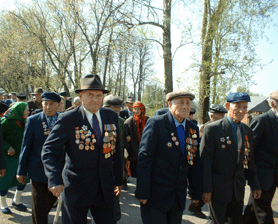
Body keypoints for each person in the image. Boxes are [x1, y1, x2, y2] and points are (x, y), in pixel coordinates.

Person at [41, 74, 123, 224]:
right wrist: (54, 179)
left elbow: (115, 150)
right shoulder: (68, 119)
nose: (95, 99)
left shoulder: (111, 116)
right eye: (90, 95)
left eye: (99, 95)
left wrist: (118, 179)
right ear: (81, 96)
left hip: (104, 188)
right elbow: (49, 150)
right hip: (76, 188)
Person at [136, 90, 202, 224]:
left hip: (178, 197)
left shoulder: (192, 128)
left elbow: (194, 161)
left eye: (188, 103)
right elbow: (145, 159)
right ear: (170, 104)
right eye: (180, 103)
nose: (185, 106)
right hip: (155, 196)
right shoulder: (156, 123)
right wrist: (142, 191)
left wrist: (196, 192)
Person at [201, 92, 261, 224]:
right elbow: (205, 162)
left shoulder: (247, 131)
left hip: (237, 189)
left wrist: (255, 185)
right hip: (218, 189)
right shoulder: (213, 129)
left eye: (245, 107)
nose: (241, 111)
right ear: (228, 106)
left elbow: (249, 160)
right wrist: (206, 189)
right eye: (237, 106)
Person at [17, 92, 61, 224]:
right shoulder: (33, 120)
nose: (48, 107)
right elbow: (26, 146)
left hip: (58, 171)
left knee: (51, 200)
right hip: (38, 170)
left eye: (52, 104)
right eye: (45, 104)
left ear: (58, 105)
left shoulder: (64, 120)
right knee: (38, 206)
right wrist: (21, 170)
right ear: (41, 104)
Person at [243, 90, 278, 224]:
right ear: (272, 104)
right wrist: (252, 177)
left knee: (252, 212)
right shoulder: (261, 120)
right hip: (261, 177)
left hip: (274, 177)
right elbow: (249, 151)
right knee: (264, 213)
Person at [0, 102, 29, 214]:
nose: (28, 111)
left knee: (23, 179)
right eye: (26, 109)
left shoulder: (25, 121)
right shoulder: (6, 122)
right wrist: (8, 147)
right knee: (5, 181)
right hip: (8, 157)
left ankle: (16, 200)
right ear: (20, 111)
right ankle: (3, 204)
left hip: (21, 156)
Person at [103, 94, 125, 222]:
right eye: (113, 111)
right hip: (102, 164)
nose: (116, 115)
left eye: (118, 111)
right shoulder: (98, 120)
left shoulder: (121, 122)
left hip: (116, 162)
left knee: (114, 199)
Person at [124, 101, 148, 178]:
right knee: (134, 170)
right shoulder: (129, 121)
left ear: (142, 110)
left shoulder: (147, 120)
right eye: (135, 109)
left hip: (145, 148)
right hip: (134, 148)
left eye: (138, 109)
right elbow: (125, 134)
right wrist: (127, 139)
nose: (136, 111)